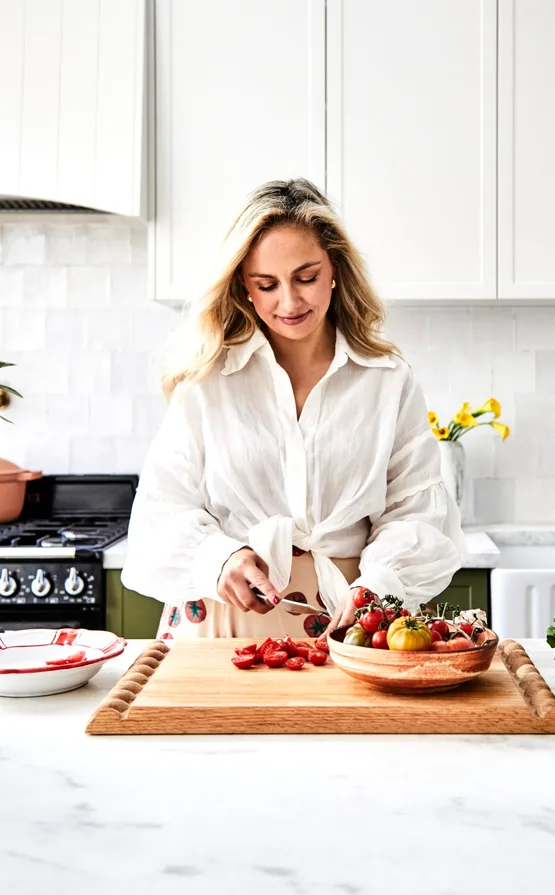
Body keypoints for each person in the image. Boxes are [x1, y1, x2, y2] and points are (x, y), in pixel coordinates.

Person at [121, 178, 464, 642]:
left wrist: (378, 588)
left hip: (348, 618)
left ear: (335, 269)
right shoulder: (206, 383)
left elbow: (418, 511)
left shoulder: (389, 381)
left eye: (307, 277)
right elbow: (160, 512)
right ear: (244, 286)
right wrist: (218, 558)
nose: (290, 302)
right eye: (267, 285)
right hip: (224, 621)